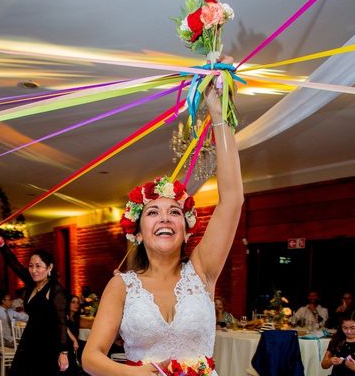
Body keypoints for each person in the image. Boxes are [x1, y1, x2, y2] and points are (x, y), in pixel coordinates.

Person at [82, 70, 244, 376]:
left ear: (185, 230)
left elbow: (233, 199)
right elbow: (91, 357)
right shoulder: (121, 286)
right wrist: (137, 374)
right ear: (139, 233)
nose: (165, 217)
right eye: (153, 212)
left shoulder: (202, 270)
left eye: (174, 212)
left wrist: (217, 110)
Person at [0, 232, 69, 374]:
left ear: (49, 268)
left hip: (49, 342)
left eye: (38, 266)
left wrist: (63, 352)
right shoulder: (32, 283)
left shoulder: (55, 289)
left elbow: (61, 322)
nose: (34, 270)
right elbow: (13, 263)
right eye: (31, 266)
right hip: (30, 338)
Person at [321, 310, 355, 376]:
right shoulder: (337, 340)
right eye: (345, 328)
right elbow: (324, 365)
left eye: (353, 328)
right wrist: (330, 361)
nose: (348, 331)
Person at [64, 294, 82, 375]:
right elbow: (64, 327)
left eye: (78, 303)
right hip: (64, 345)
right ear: (68, 303)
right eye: (73, 302)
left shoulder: (75, 317)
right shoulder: (65, 316)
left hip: (72, 346)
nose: (76, 305)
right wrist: (74, 340)